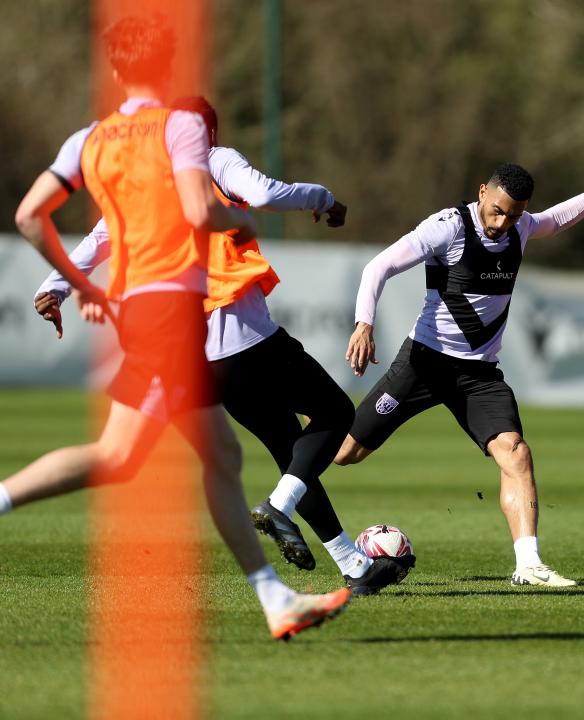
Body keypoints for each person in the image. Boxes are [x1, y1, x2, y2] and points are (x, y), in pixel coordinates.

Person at [3, 15, 350, 640]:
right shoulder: (181, 126)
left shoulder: (89, 139)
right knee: (118, 455)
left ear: (112, 70)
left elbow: (31, 216)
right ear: (171, 69)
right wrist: (232, 225)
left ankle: (276, 600)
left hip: (144, 314)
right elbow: (198, 207)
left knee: (223, 454)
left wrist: (74, 286)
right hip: (170, 315)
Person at [32, 96, 410, 595]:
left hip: (198, 358)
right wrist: (323, 198)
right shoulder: (213, 159)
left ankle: (354, 566)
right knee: (337, 412)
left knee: (289, 447)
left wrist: (52, 287)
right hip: (245, 336)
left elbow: (97, 241)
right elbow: (263, 191)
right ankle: (279, 506)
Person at [325, 153, 584, 586]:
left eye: (513, 215)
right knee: (343, 454)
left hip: (479, 375)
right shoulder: (447, 226)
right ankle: (308, 422)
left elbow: (554, 220)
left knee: (516, 453)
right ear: (482, 193)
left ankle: (529, 564)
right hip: (423, 363)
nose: (503, 222)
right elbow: (380, 266)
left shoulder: (520, 225)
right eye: (497, 210)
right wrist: (364, 323)